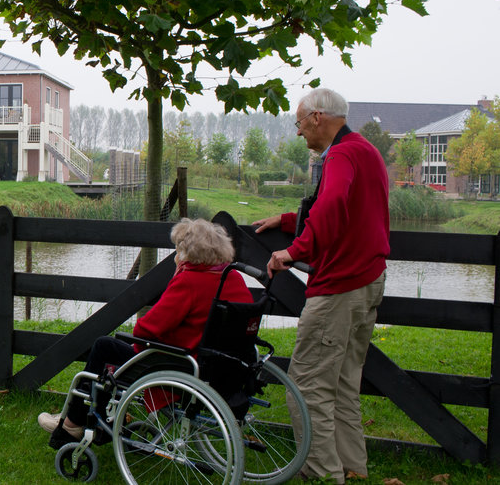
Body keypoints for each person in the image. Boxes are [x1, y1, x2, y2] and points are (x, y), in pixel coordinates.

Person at [252, 87, 389, 484]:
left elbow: (331, 207)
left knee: (308, 384)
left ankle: (323, 475)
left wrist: (293, 251)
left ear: (316, 117)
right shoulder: (364, 151)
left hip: (340, 287)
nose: (299, 132)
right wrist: (289, 217)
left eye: (299, 122)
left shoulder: (342, 155)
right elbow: (350, 206)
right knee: (344, 384)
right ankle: (351, 469)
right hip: (368, 281)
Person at [38, 218, 253, 445]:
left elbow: (145, 329)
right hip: (223, 368)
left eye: (178, 250)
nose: (176, 256)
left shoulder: (190, 281)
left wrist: (178, 276)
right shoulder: (234, 279)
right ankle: (90, 420)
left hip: (180, 365)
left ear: (190, 253)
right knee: (112, 352)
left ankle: (72, 424)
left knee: (104, 347)